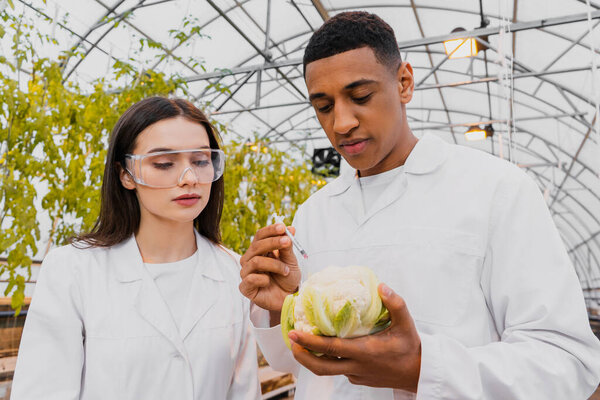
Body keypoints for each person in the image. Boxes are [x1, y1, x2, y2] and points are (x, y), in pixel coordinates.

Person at [239, 11, 600, 400]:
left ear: (404, 83)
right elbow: (296, 364)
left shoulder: (496, 190)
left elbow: (567, 362)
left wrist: (422, 368)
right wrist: (284, 309)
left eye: (361, 97)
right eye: (323, 106)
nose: (341, 123)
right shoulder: (314, 212)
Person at [12, 97, 261, 399]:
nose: (189, 179)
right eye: (164, 164)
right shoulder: (73, 270)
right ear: (126, 175)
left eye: (200, 160)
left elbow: (244, 392)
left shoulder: (235, 272)